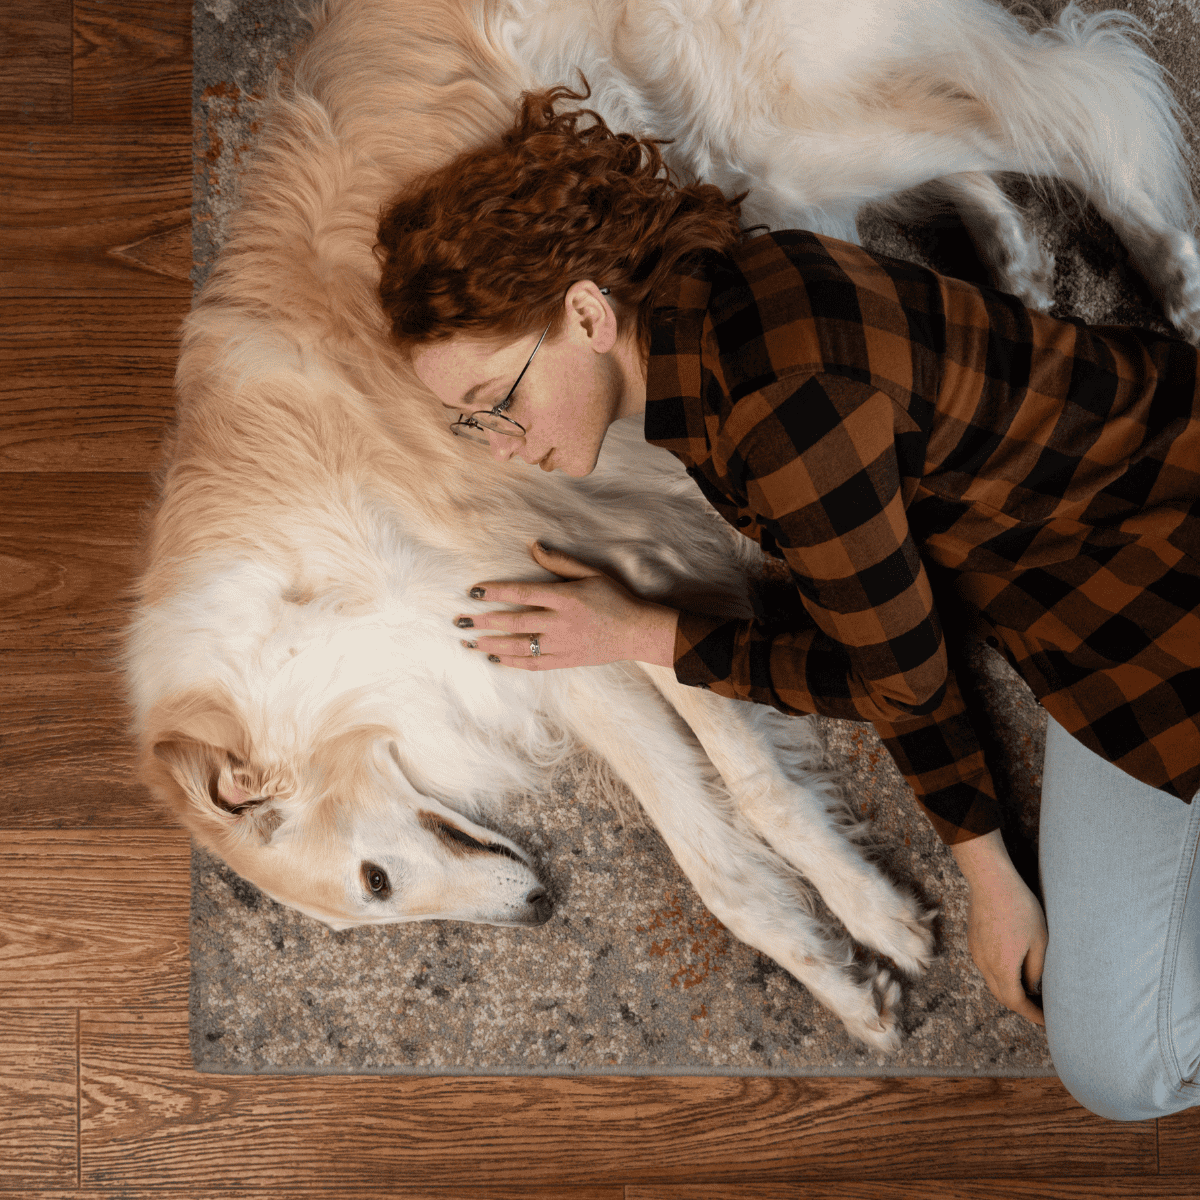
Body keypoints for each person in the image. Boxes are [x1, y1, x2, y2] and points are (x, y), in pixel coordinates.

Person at [376, 83, 1200, 1120]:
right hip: (1084, 606)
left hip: (1160, 570)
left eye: (496, 402)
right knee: (1118, 1055)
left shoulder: (776, 408)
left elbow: (900, 678)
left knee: (1121, 1066)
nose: (503, 445)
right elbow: (881, 624)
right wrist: (638, 626)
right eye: (472, 424)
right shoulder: (725, 306)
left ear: (586, 314)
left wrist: (990, 883)